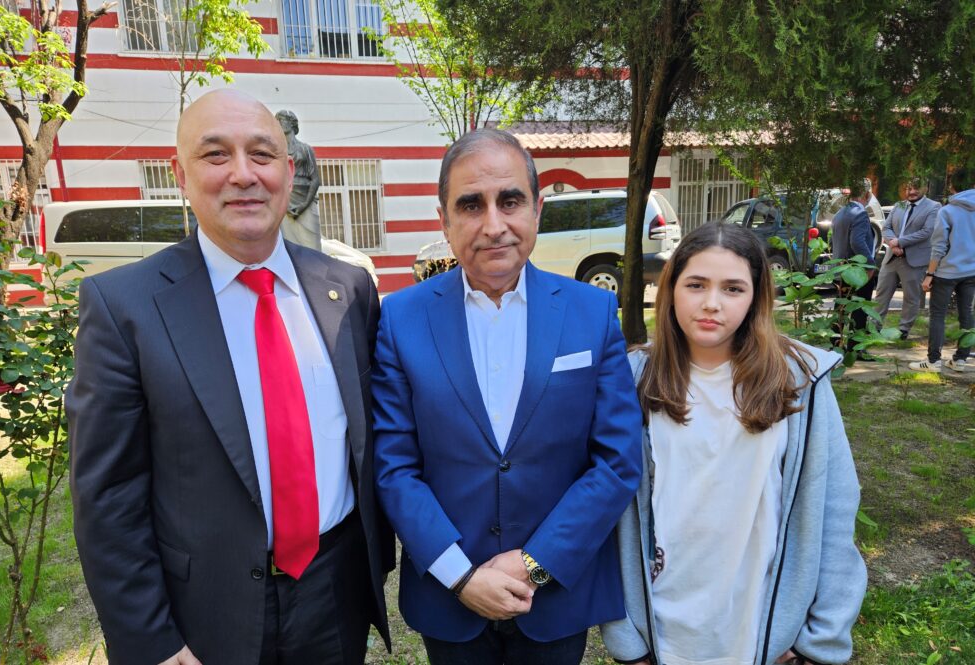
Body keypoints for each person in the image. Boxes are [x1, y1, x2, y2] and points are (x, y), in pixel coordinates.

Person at [67, 90, 392, 665]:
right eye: (216, 155)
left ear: (288, 172)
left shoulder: (347, 289)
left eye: (262, 154)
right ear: (180, 175)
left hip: (334, 592)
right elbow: (108, 497)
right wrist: (151, 641)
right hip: (204, 611)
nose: (244, 174)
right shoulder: (124, 308)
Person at [372, 128, 642, 665]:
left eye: (510, 201)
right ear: (445, 221)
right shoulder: (401, 319)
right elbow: (393, 466)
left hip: (554, 598)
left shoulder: (591, 313)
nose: (493, 225)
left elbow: (616, 461)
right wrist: (461, 575)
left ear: (537, 210)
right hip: (451, 601)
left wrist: (534, 565)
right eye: (471, 205)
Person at [602, 221, 867, 665]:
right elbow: (609, 517)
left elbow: (835, 509)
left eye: (732, 289)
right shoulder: (633, 380)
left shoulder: (799, 381)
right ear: (671, 290)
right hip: (663, 628)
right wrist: (626, 638)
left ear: (755, 297)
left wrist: (822, 639)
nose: (711, 303)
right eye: (696, 285)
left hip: (761, 629)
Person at [909, 167, 975, 372]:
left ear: (952, 187)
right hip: (971, 271)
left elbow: (938, 246)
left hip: (946, 272)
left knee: (938, 315)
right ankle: (961, 359)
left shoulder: (947, 211)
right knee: (967, 313)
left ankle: (933, 361)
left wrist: (929, 274)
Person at [874, 178, 941, 339]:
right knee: (881, 294)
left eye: (916, 189)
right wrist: (893, 243)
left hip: (914, 260)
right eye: (908, 189)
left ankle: (903, 330)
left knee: (911, 297)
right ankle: (873, 327)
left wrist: (900, 242)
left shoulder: (934, 207)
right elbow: (886, 227)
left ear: (925, 189)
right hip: (891, 257)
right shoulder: (899, 205)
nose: (911, 192)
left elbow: (927, 231)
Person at [830, 179, 878, 359]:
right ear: (867, 194)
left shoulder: (840, 213)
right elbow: (857, 242)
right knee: (859, 310)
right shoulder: (860, 214)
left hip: (840, 269)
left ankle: (835, 346)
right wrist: (870, 264)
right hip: (857, 271)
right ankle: (856, 349)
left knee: (841, 308)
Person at [276, 109, 322, 251]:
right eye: (278, 120)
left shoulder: (305, 149)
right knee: (290, 247)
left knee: (313, 246)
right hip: (285, 203)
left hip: (305, 201)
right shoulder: (276, 152)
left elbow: (315, 179)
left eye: (282, 120)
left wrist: (303, 205)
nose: (280, 123)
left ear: (292, 124)